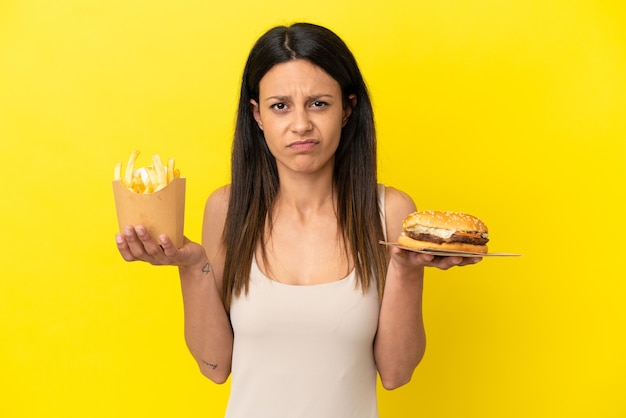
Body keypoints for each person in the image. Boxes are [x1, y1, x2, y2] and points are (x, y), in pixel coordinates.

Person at [115, 22, 481, 418]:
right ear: (257, 115)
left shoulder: (389, 211)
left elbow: (396, 373)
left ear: (348, 109)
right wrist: (190, 266)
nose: (301, 124)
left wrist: (408, 271)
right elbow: (214, 366)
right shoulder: (227, 208)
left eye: (319, 103)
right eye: (280, 106)